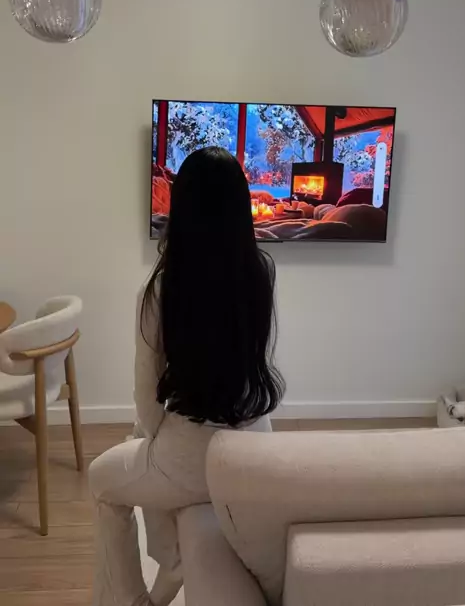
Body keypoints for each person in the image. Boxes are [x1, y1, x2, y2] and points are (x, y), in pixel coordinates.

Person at [89, 146, 285, 606]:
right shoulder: (261, 273)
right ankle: (171, 559)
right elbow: (256, 361)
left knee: (102, 480)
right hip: (254, 449)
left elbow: (145, 396)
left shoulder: (160, 287)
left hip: (192, 459)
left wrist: (159, 443)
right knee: (143, 441)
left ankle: (136, 596)